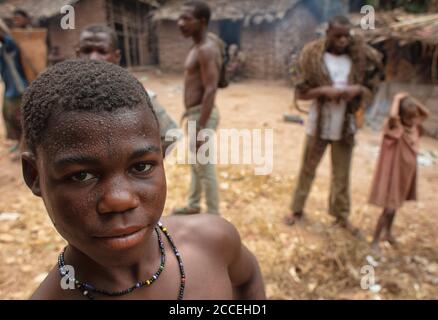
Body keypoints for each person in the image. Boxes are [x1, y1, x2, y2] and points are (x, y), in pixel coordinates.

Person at [21, 59, 265, 300]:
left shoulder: (213, 243)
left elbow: (248, 278)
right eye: (81, 175)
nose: (120, 200)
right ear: (34, 176)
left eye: (141, 166)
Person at [284, 16, 383, 235]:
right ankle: (296, 210)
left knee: (341, 174)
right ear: (327, 33)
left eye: (346, 36)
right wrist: (324, 92)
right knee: (307, 169)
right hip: (318, 125)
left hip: (345, 127)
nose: (342, 41)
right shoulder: (313, 58)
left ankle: (340, 216)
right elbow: (301, 93)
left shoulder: (357, 61)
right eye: (337, 35)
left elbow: (371, 87)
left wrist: (356, 91)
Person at [76, 24, 178, 157]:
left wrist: (142, 166)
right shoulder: (61, 100)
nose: (93, 58)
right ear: (78, 54)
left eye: (102, 51)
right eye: (87, 50)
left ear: (116, 56)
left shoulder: (140, 97)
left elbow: (171, 135)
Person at [172, 1, 222, 215]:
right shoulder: (198, 46)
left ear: (202, 22)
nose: (180, 23)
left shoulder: (206, 49)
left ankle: (214, 216)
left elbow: (211, 89)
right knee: (196, 164)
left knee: (205, 168)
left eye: (186, 19)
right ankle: (193, 204)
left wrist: (200, 127)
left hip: (202, 115)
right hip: (195, 115)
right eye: (179, 18)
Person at [369, 93, 429, 254]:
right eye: (409, 116)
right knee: (388, 208)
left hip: (406, 175)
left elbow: (426, 113)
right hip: (394, 176)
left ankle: (387, 233)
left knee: (396, 206)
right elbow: (393, 116)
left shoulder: (414, 127)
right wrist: (397, 99)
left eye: (414, 111)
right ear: (401, 116)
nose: (414, 110)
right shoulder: (396, 129)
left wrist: (410, 99)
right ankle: (375, 240)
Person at [0, 26, 28, 157]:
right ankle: (18, 142)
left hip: (19, 89)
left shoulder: (11, 46)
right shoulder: (1, 51)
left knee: (20, 119)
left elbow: (5, 39)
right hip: (9, 90)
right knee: (9, 117)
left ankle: (24, 146)